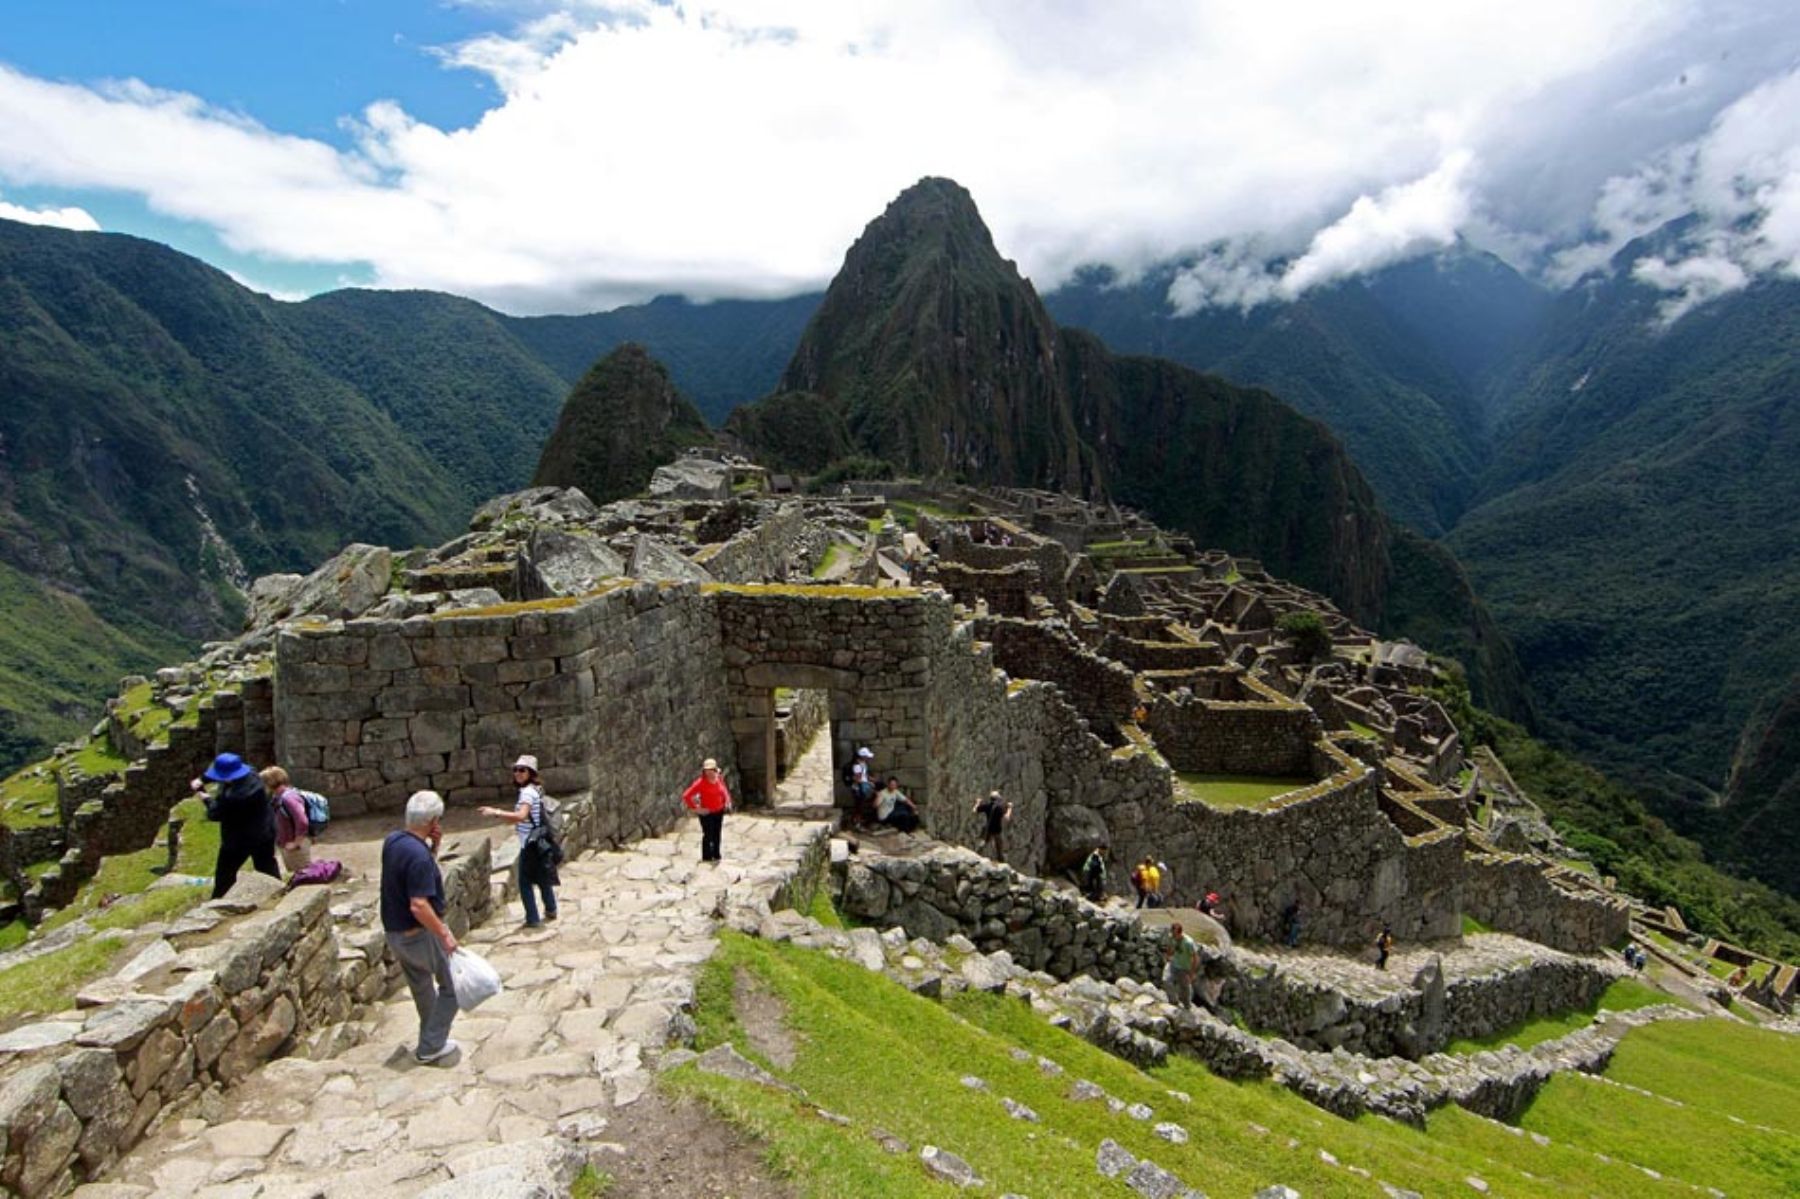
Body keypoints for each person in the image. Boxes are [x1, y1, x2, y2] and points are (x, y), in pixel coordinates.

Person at [382, 790, 460, 1064]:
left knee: (423, 988)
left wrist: (433, 849)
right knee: (453, 989)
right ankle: (430, 1046)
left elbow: (409, 877)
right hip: (418, 935)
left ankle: (432, 1040)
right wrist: (444, 933)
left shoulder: (394, 842)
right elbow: (419, 904)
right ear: (433, 822)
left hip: (396, 934)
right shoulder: (418, 856)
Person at [480, 755, 559, 927]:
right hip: (539, 840)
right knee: (542, 877)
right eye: (515, 770)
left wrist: (496, 812)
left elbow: (521, 816)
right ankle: (551, 909)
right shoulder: (536, 789)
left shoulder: (527, 793)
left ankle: (532, 918)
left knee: (524, 883)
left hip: (530, 843)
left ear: (530, 773)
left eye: (522, 770)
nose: (517, 773)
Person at [191, 753, 279, 898]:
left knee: (225, 874)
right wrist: (202, 779)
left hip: (238, 840)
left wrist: (204, 796)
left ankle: (218, 900)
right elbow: (225, 775)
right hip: (265, 831)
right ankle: (278, 892)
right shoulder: (252, 774)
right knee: (267, 865)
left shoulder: (236, 797)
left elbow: (215, 813)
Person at [260, 766, 312, 874]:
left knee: (303, 876)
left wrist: (296, 843)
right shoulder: (278, 797)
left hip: (295, 846)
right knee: (297, 874)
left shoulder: (288, 798)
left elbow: (302, 821)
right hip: (287, 844)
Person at [682, 757, 733, 863]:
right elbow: (687, 795)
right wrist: (697, 809)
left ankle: (717, 854)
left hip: (719, 811)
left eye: (711, 770)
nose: (709, 773)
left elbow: (724, 790)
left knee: (717, 833)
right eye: (707, 771)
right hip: (707, 813)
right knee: (708, 834)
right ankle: (707, 857)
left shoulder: (719, 778)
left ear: (715, 770)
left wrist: (727, 801)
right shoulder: (700, 783)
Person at [1163, 923, 1200, 1006]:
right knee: (1166, 980)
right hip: (1173, 964)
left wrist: (1192, 973)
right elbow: (1170, 946)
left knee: (1185, 988)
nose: (1173, 936)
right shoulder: (1171, 937)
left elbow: (1195, 958)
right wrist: (1168, 956)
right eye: (1172, 933)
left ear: (1180, 933)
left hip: (1184, 968)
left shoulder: (1188, 943)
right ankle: (1173, 1001)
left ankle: (1187, 1005)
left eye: (1174, 934)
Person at [973, 790, 1011, 859]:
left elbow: (975, 810)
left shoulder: (987, 806)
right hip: (997, 829)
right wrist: (1009, 808)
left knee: (984, 842)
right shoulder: (999, 808)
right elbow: (1007, 818)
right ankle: (1000, 859)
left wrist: (977, 803)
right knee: (999, 845)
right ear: (997, 799)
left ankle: (977, 854)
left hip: (988, 827)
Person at [848, 747, 877, 826]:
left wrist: (871, 779)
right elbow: (858, 779)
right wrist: (868, 783)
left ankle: (859, 821)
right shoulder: (857, 766)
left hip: (862, 788)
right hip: (858, 789)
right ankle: (856, 822)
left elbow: (864, 776)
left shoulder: (863, 764)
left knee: (861, 806)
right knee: (859, 807)